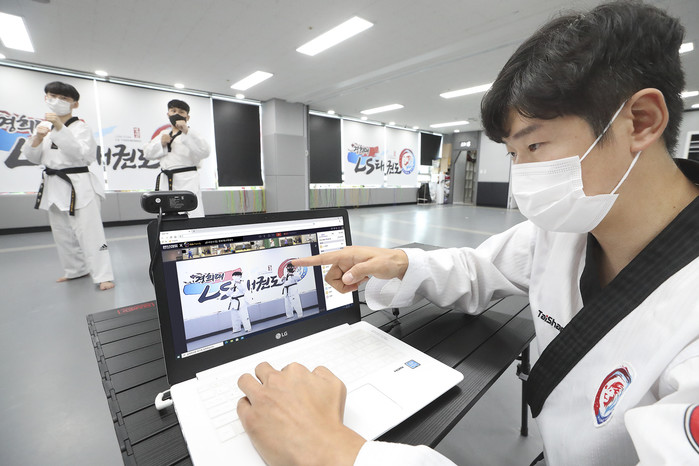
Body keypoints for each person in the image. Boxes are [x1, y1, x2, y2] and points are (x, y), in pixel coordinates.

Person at [234, 2, 699, 465]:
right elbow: (478, 269)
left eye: (535, 144)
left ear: (641, 121)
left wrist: (332, 452)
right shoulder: (566, 231)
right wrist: (399, 263)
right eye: (513, 154)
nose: (521, 175)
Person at [21, 81, 115, 291]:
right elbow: (34, 157)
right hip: (53, 185)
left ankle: (103, 275)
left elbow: (82, 155)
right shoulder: (44, 128)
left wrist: (60, 128)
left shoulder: (81, 127)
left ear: (75, 104)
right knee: (62, 233)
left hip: (79, 185)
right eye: (52, 96)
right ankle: (75, 269)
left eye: (63, 98)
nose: (57, 101)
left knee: (90, 233)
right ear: (46, 98)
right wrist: (37, 138)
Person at [142, 99, 210, 218]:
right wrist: (161, 143)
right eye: (173, 111)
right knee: (167, 212)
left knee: (191, 211)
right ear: (168, 114)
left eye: (181, 112)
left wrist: (186, 131)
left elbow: (204, 151)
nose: (177, 114)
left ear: (187, 117)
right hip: (166, 179)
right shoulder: (163, 135)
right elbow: (147, 153)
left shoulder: (192, 134)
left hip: (187, 179)